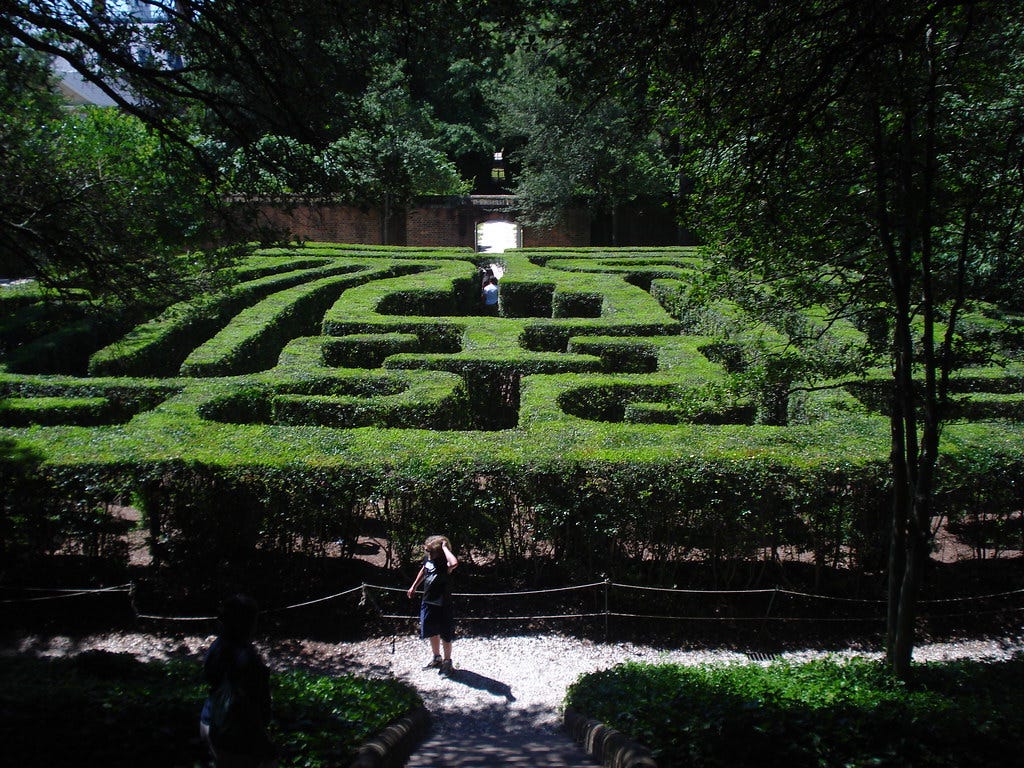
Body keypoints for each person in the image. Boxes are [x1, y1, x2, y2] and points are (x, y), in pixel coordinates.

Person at [199, 594, 276, 767]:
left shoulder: (217, 646)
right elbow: (245, 705)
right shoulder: (243, 657)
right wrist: (264, 742)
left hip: (209, 721)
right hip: (233, 734)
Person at [407, 535, 459, 676]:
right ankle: (437, 658)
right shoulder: (428, 560)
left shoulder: (445, 564)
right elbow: (424, 570)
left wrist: (444, 547)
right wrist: (414, 586)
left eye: (431, 551)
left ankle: (448, 662)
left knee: (445, 634)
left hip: (443, 604)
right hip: (428, 601)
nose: (428, 554)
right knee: (431, 631)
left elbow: (454, 563)